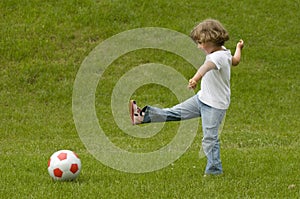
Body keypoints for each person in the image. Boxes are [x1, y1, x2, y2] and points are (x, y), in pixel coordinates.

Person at [129, 19, 244, 176]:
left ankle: (214, 172)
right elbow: (235, 61)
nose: (198, 46)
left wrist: (195, 79)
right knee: (174, 112)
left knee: (210, 138)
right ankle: (142, 116)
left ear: (211, 39)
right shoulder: (223, 51)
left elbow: (206, 67)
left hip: (215, 105)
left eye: (200, 42)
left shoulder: (216, 58)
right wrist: (239, 48)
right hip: (202, 99)